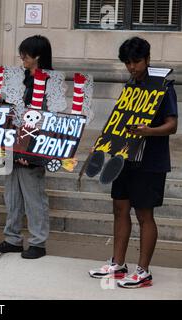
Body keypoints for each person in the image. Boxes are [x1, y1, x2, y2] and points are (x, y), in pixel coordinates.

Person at [89, 37, 178, 288]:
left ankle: (143, 270)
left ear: (147, 59)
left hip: (150, 161)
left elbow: (173, 125)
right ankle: (118, 264)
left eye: (136, 62)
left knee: (144, 214)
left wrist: (149, 131)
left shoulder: (163, 87)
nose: (132, 67)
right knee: (119, 208)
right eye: (128, 63)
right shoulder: (130, 85)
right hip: (125, 157)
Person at [0, 35, 51, 259]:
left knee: (34, 196)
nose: (22, 58)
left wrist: (30, 150)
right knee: (12, 194)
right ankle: (12, 238)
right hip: (12, 143)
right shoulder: (19, 79)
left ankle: (38, 242)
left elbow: (46, 119)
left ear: (38, 56)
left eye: (26, 54)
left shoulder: (48, 84)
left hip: (33, 146)